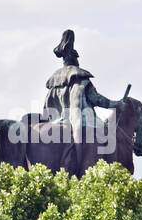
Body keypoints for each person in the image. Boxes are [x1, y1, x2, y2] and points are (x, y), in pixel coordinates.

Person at [44, 30, 123, 160]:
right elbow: (96, 99)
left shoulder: (54, 79)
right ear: (75, 59)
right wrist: (116, 104)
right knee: (108, 135)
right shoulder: (79, 77)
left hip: (55, 120)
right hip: (82, 121)